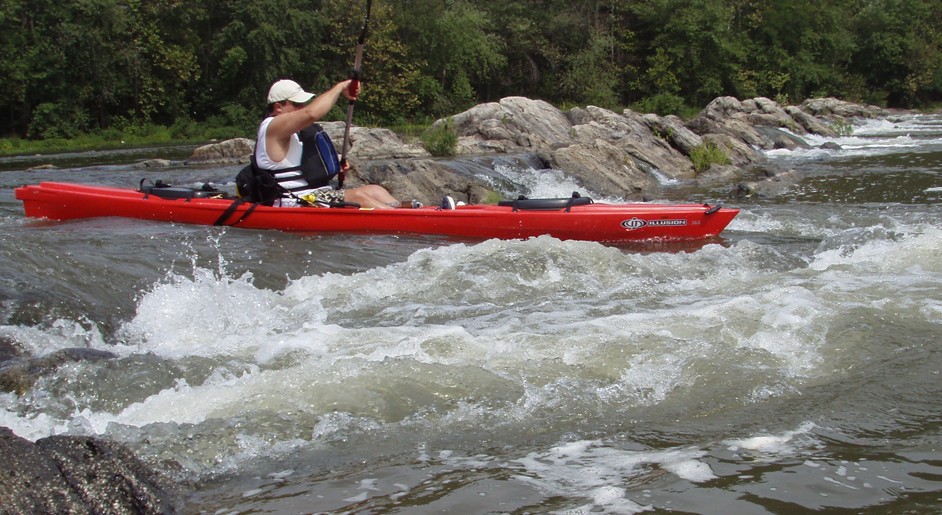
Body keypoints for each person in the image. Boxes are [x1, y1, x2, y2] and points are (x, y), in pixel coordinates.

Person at [256, 79, 399, 209]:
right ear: (278, 107)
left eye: (303, 104)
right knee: (357, 198)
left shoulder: (294, 131)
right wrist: (339, 87)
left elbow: (306, 161)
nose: (302, 108)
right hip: (294, 200)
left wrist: (336, 162)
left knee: (375, 190)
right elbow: (311, 113)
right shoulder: (272, 126)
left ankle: (404, 213)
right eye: (297, 104)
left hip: (316, 194)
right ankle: (399, 222)